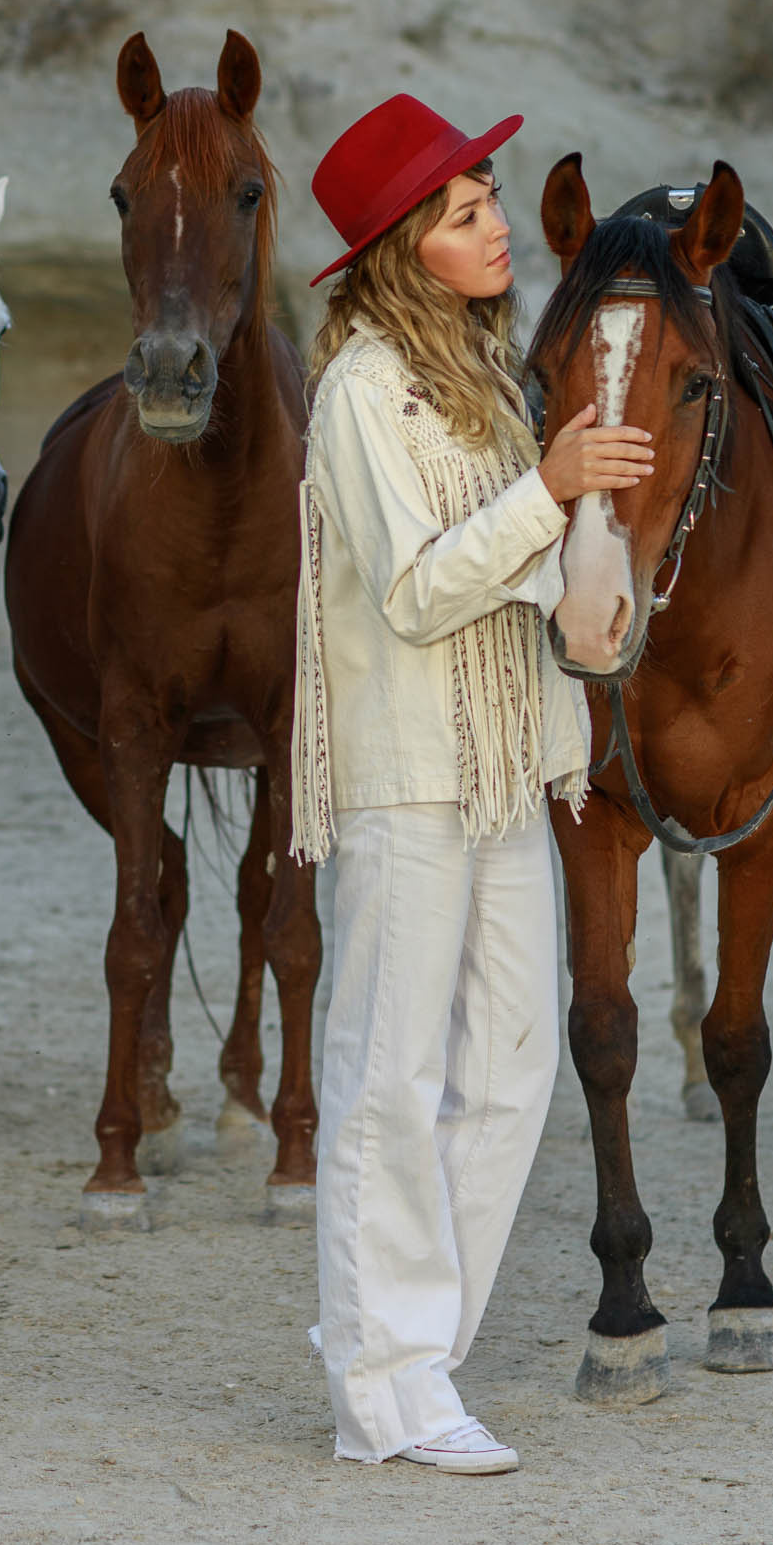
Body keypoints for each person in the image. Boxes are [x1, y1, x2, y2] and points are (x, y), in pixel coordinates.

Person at [292, 95, 652, 1474]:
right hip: (406, 774)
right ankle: (379, 1388)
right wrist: (547, 491)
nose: (499, 225)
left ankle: (419, 1357)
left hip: (512, 765)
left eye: (494, 198)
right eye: (467, 210)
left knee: (510, 1073)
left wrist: (593, 566)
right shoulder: (359, 393)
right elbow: (417, 589)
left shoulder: (496, 383)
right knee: (388, 1073)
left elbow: (527, 570)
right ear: (402, 248)